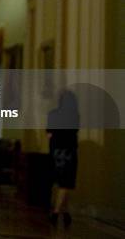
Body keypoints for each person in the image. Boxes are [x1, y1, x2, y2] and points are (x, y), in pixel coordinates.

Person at [47, 89, 79, 227]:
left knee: (60, 183)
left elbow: (49, 134)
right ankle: (57, 212)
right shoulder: (75, 115)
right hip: (70, 152)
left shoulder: (53, 114)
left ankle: (64, 211)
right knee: (66, 183)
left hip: (56, 152)